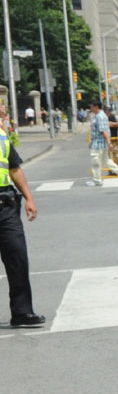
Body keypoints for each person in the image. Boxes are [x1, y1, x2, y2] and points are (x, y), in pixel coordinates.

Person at [0, 125, 44, 328]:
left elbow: (14, 168)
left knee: (17, 257)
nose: (2, 110)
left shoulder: (1, 135)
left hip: (6, 205)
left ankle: (22, 312)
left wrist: (29, 198)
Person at [87, 99, 118, 186]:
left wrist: (109, 143)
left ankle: (97, 180)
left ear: (96, 107)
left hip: (98, 143)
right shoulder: (102, 115)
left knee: (95, 161)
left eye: (92, 107)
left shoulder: (100, 116)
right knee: (106, 160)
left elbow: (104, 131)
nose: (91, 108)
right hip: (100, 143)